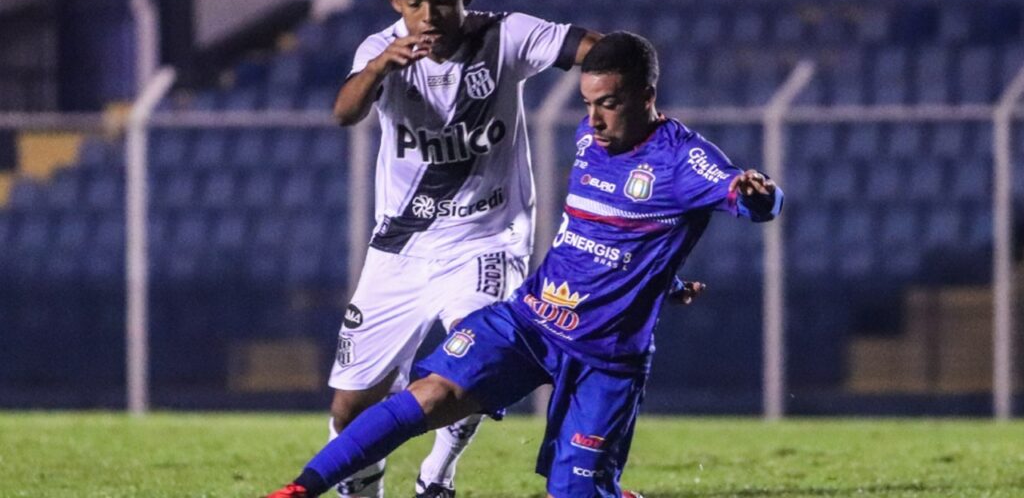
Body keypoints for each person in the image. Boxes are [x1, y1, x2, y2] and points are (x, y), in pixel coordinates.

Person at [267, 32, 784, 498]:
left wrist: (758, 194)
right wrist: (664, 282)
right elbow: (598, 241)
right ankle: (299, 489)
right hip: (530, 321)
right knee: (429, 396)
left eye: (609, 104)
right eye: (587, 104)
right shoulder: (589, 136)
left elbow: (754, 200)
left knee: (575, 492)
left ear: (647, 98)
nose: (595, 119)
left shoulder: (683, 160)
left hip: (604, 357)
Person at [326, 0, 601, 498]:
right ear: (395, 0)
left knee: (473, 368)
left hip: (488, 241)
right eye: (415, 2)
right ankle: (368, 486)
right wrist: (380, 66)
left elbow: (596, 49)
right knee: (350, 407)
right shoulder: (380, 51)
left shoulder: (506, 35)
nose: (429, 15)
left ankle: (438, 475)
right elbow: (344, 113)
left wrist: (616, 91)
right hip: (399, 248)